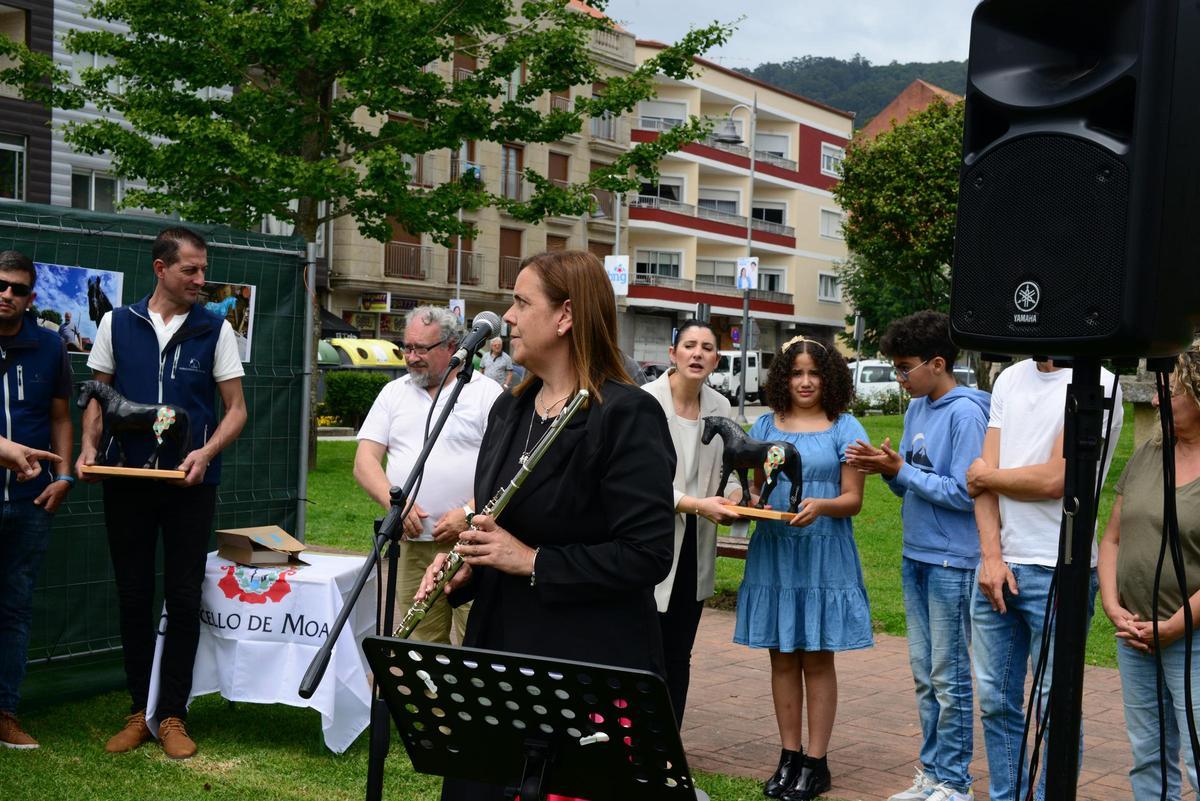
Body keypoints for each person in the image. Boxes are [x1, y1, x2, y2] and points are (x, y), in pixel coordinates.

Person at [417, 250, 676, 801]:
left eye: (520, 301)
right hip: (500, 651)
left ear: (565, 316)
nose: (507, 316)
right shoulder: (509, 411)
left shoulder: (625, 414)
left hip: (585, 663)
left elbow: (648, 554)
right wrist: (468, 567)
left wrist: (534, 561)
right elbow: (498, 532)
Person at [77, 227, 248, 760]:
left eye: (203, 270)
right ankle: (137, 710)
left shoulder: (214, 328)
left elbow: (236, 410)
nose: (201, 279)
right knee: (132, 594)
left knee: (183, 596)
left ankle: (173, 713)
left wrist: (205, 453)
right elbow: (96, 397)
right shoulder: (115, 322)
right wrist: (87, 447)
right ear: (160, 268)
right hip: (126, 482)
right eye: (190, 270)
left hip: (190, 484)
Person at [846, 311, 990, 801]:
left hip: (954, 562)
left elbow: (966, 492)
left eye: (905, 368)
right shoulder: (915, 411)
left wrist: (901, 470)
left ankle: (955, 782)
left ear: (937, 362)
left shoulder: (966, 413)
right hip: (916, 555)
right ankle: (930, 776)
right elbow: (907, 485)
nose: (899, 378)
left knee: (950, 679)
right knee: (925, 675)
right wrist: (885, 469)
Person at [966, 358, 1123, 801]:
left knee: (1055, 706)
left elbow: (1057, 478)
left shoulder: (1101, 383)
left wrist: (987, 476)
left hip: (1061, 569)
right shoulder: (1009, 377)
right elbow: (981, 483)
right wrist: (992, 558)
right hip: (999, 568)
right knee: (996, 702)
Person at [734, 335, 870, 801]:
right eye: (796, 373)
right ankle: (788, 756)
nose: (805, 381)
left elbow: (853, 500)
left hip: (821, 548)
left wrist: (823, 504)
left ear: (827, 376)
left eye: (814, 372)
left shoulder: (845, 426)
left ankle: (817, 762)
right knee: (781, 654)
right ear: (783, 378)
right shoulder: (764, 423)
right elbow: (756, 490)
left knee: (817, 656)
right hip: (775, 549)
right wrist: (746, 503)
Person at [354, 305, 503, 644]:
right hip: (413, 545)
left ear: (453, 346)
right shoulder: (394, 393)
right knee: (420, 647)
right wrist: (396, 505)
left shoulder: (486, 394)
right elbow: (364, 462)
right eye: (407, 347)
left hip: (472, 545)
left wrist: (468, 513)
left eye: (421, 348)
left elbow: (506, 470)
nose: (411, 357)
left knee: (476, 644)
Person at [1099, 344, 1200, 800]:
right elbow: (1113, 538)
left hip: (1191, 639)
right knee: (1148, 754)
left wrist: (1176, 626)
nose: (1155, 400)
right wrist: (1112, 605)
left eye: (1167, 391)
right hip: (1135, 634)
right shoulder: (1147, 454)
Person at [642, 319, 740, 726]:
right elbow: (639, 484)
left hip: (695, 550)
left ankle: (670, 750)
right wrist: (697, 504)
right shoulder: (644, 402)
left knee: (679, 655)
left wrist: (735, 494)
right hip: (649, 547)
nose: (697, 353)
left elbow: (729, 470)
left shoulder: (721, 407)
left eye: (706, 348)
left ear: (716, 359)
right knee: (643, 655)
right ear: (673, 354)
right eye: (689, 345)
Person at [0, 251, 74, 750]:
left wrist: (64, 474)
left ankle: (4, 712)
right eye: (0, 284)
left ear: (32, 298)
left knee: (14, 608)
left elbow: (62, 417)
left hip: (29, 503)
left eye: (18, 288)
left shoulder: (50, 347)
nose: (6, 294)